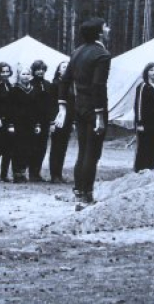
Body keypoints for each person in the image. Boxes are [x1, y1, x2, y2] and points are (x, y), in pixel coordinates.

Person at [55, 17, 111, 207]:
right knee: (92, 153)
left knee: (82, 151)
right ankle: (86, 195)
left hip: (79, 106)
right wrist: (100, 114)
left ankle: (78, 190)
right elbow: (98, 85)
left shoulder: (77, 52)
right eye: (106, 27)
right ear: (99, 33)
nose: (109, 29)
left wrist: (62, 105)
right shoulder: (102, 54)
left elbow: (64, 80)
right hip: (94, 108)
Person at [10, 66, 41, 183]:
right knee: (18, 149)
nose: (26, 76)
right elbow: (10, 109)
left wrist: (37, 124)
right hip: (18, 124)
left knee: (28, 149)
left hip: (30, 124)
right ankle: (17, 174)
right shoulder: (14, 90)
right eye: (23, 74)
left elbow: (37, 109)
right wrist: (11, 124)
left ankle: (23, 172)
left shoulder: (35, 90)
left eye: (27, 74)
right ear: (18, 76)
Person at [133, 62, 154, 171]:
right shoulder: (143, 86)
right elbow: (138, 105)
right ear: (147, 72)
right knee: (144, 146)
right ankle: (140, 169)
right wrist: (139, 123)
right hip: (144, 122)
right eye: (151, 70)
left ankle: (151, 168)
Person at [48, 61, 72, 183]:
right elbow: (51, 105)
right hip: (57, 120)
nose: (66, 68)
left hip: (67, 120)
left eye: (68, 66)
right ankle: (54, 174)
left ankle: (59, 173)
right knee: (56, 147)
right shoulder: (55, 85)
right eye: (64, 67)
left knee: (63, 148)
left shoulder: (71, 85)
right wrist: (52, 122)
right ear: (59, 70)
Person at [29, 60, 52, 182]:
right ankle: (31, 173)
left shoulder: (48, 84)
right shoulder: (30, 84)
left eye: (42, 69)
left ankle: (37, 172)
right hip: (33, 120)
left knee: (42, 147)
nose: (40, 72)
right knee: (33, 146)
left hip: (45, 121)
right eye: (38, 69)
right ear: (33, 71)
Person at [0, 62, 14, 182]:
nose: (5, 74)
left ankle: (5, 174)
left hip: (9, 122)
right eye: (2, 72)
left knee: (8, 149)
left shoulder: (10, 86)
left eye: (7, 71)